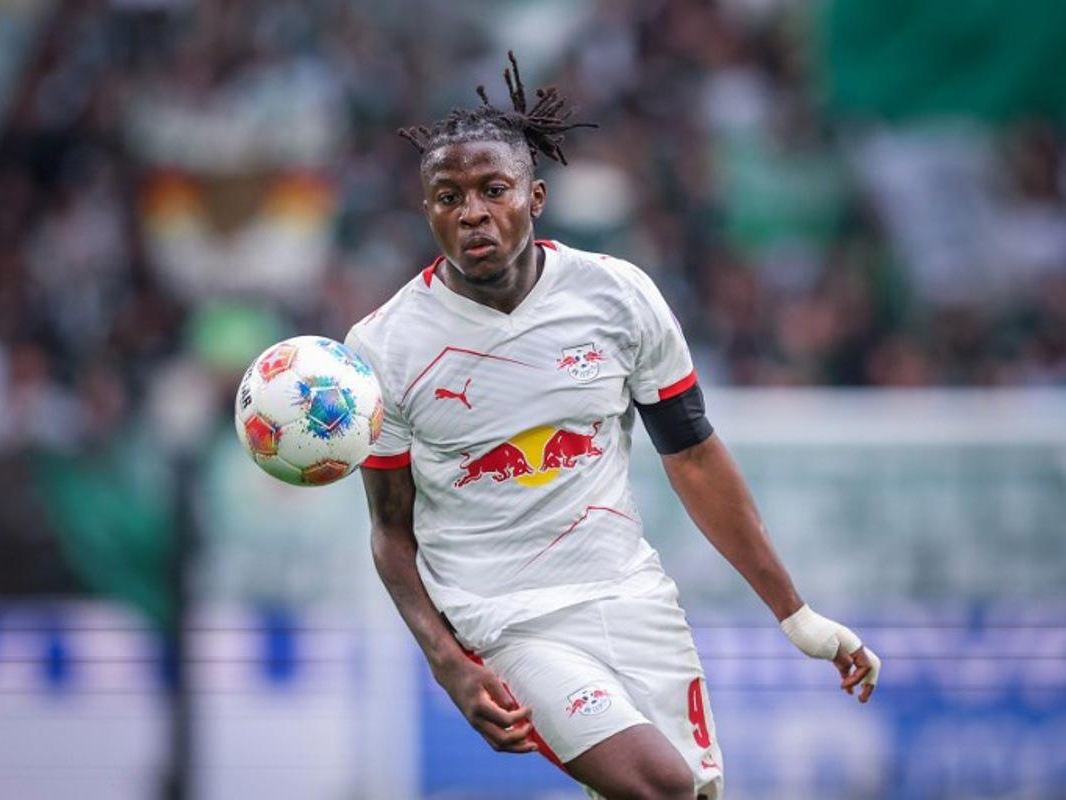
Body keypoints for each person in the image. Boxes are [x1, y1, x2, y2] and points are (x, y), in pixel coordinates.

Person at [345, 52, 880, 800]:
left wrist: (794, 614)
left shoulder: (617, 297)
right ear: (426, 210)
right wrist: (448, 661)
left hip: (632, 600)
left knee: (692, 794)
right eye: (447, 196)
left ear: (534, 197)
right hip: (506, 623)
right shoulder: (383, 347)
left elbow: (693, 455)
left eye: (492, 189)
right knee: (658, 787)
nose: (471, 212)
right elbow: (391, 531)